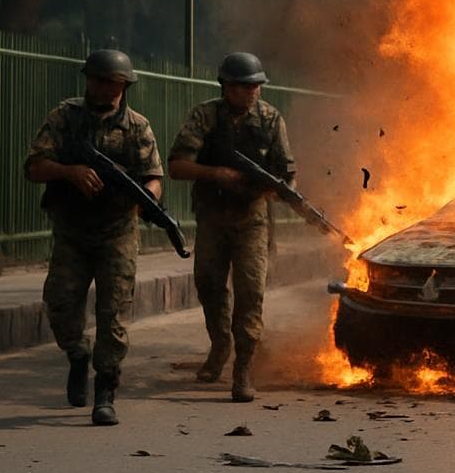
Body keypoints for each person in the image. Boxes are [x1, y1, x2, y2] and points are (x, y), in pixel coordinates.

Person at [24, 49, 165, 426]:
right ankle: (77, 355)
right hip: (71, 231)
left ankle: (105, 389)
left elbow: (154, 176)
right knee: (60, 304)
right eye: (100, 81)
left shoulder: (137, 127)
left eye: (115, 83)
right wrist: (70, 172)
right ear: (88, 80)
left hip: (117, 233)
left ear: (124, 86)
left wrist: (147, 196)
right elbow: (35, 167)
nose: (107, 89)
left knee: (114, 313)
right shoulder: (64, 118)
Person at [168, 52, 295, 403]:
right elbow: (177, 166)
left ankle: (243, 369)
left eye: (256, 86)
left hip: (251, 220)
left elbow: (285, 173)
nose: (251, 92)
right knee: (209, 285)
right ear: (226, 86)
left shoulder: (270, 119)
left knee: (250, 292)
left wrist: (272, 188)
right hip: (212, 217)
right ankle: (220, 345)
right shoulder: (205, 116)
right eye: (243, 86)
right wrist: (217, 174)